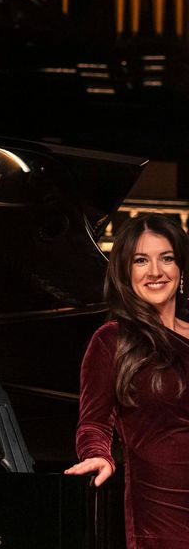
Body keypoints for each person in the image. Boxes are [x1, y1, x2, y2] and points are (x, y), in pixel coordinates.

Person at [65, 213, 189, 548]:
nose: (155, 272)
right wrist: (98, 455)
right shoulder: (112, 340)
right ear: (125, 272)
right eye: (141, 260)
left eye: (166, 258)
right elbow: (93, 423)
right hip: (164, 514)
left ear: (180, 270)